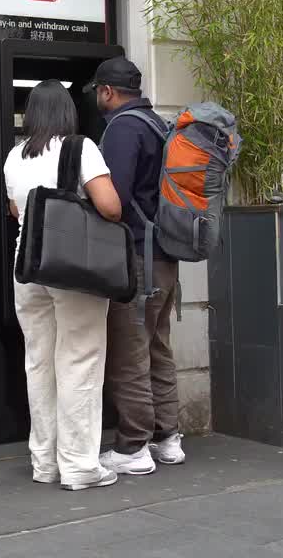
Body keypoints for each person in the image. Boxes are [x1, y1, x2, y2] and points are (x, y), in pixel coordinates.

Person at [4, 80, 123, 491]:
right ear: (68, 113)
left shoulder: (14, 157)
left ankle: (44, 462)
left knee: (39, 362)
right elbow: (110, 206)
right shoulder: (80, 148)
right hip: (72, 270)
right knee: (79, 361)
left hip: (28, 267)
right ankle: (79, 466)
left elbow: (16, 209)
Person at [89, 57, 184, 476]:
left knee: (130, 352)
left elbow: (116, 200)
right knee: (158, 347)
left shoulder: (123, 129)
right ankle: (168, 438)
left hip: (138, 260)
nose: (97, 98)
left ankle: (133, 446)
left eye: (97, 91)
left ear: (107, 91)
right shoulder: (158, 124)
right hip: (165, 257)